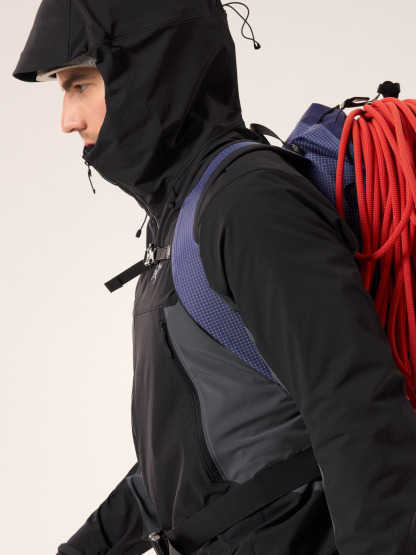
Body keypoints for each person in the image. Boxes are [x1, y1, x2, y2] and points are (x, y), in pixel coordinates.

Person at [13, 1, 416, 554]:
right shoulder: (180, 219)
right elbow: (188, 467)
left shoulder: (247, 203)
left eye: (80, 84)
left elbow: (360, 414)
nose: (68, 119)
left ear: (150, 68)